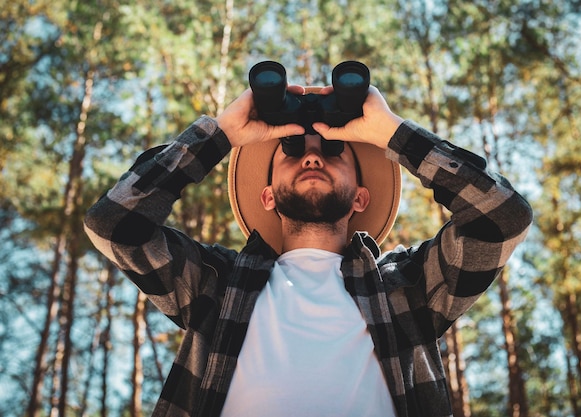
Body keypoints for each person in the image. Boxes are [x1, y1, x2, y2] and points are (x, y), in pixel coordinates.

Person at [84, 81, 532, 417]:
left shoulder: (408, 287)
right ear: (268, 196)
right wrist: (219, 134)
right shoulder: (215, 285)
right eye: (292, 151)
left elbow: (502, 218)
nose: (312, 157)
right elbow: (114, 224)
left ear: (361, 197)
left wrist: (392, 132)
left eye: (334, 152)